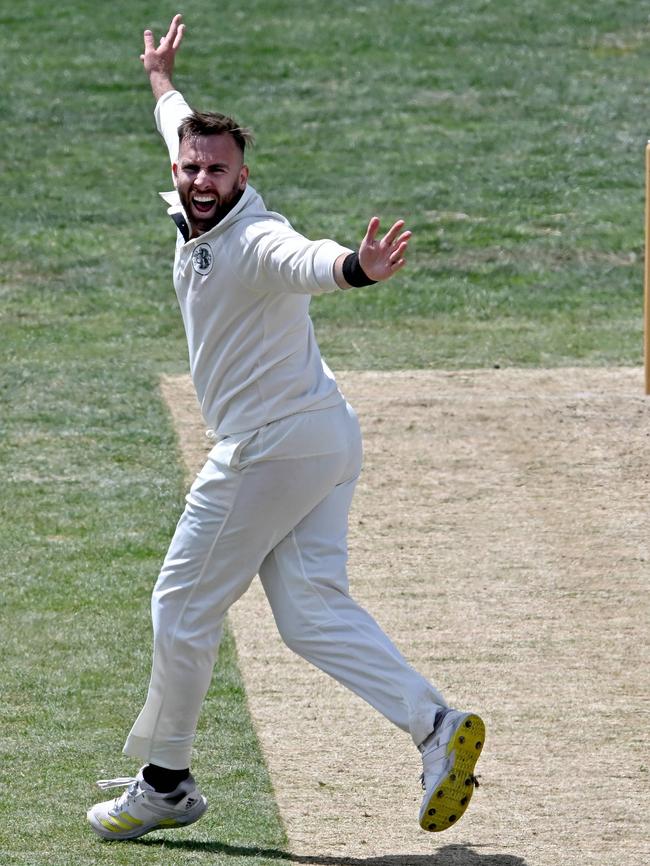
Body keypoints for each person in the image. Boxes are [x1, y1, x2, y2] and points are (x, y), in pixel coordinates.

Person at [86, 13, 484, 842]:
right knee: (308, 614)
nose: (203, 180)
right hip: (324, 437)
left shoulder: (256, 236)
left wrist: (357, 270)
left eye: (218, 170)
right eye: (193, 167)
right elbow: (176, 118)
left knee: (179, 609)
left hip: (269, 449)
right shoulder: (188, 177)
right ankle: (436, 726)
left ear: (243, 175)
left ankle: (164, 783)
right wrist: (160, 77)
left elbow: (308, 259)